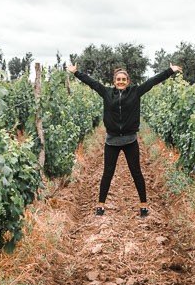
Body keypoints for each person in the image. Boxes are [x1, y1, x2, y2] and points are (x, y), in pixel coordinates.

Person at [68, 62, 182, 217]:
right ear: (114, 81)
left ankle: (143, 205)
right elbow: (92, 83)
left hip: (130, 140)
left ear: (128, 81)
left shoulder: (136, 92)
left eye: (123, 79)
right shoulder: (106, 92)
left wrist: (170, 71)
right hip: (112, 141)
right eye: (118, 79)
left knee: (136, 172)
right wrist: (76, 72)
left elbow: (152, 81)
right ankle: (100, 205)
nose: (120, 82)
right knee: (107, 173)